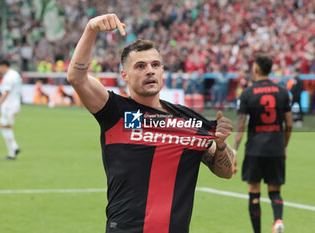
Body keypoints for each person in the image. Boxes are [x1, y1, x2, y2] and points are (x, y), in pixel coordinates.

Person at [67, 14, 235, 233]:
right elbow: (76, 77)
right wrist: (91, 29)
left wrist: (221, 144)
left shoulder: (189, 121)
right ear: (124, 76)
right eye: (140, 66)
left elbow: (226, 171)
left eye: (155, 64)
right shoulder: (115, 112)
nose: (150, 70)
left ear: (162, 71)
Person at [232, 54, 293, 233]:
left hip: (255, 150)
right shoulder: (282, 92)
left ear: (257, 69)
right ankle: (278, 220)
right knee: (275, 191)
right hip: (276, 148)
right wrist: (285, 146)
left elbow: (241, 125)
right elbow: (289, 123)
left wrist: (234, 151)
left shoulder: (248, 93)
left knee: (254, 193)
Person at [0, 60, 22, 160]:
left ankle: (12, 152)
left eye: (0, 67)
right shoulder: (16, 74)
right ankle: (14, 147)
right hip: (15, 104)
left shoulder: (8, 76)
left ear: (4, 66)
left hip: (9, 106)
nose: (0, 69)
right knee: (7, 127)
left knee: (2, 126)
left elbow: (6, 92)